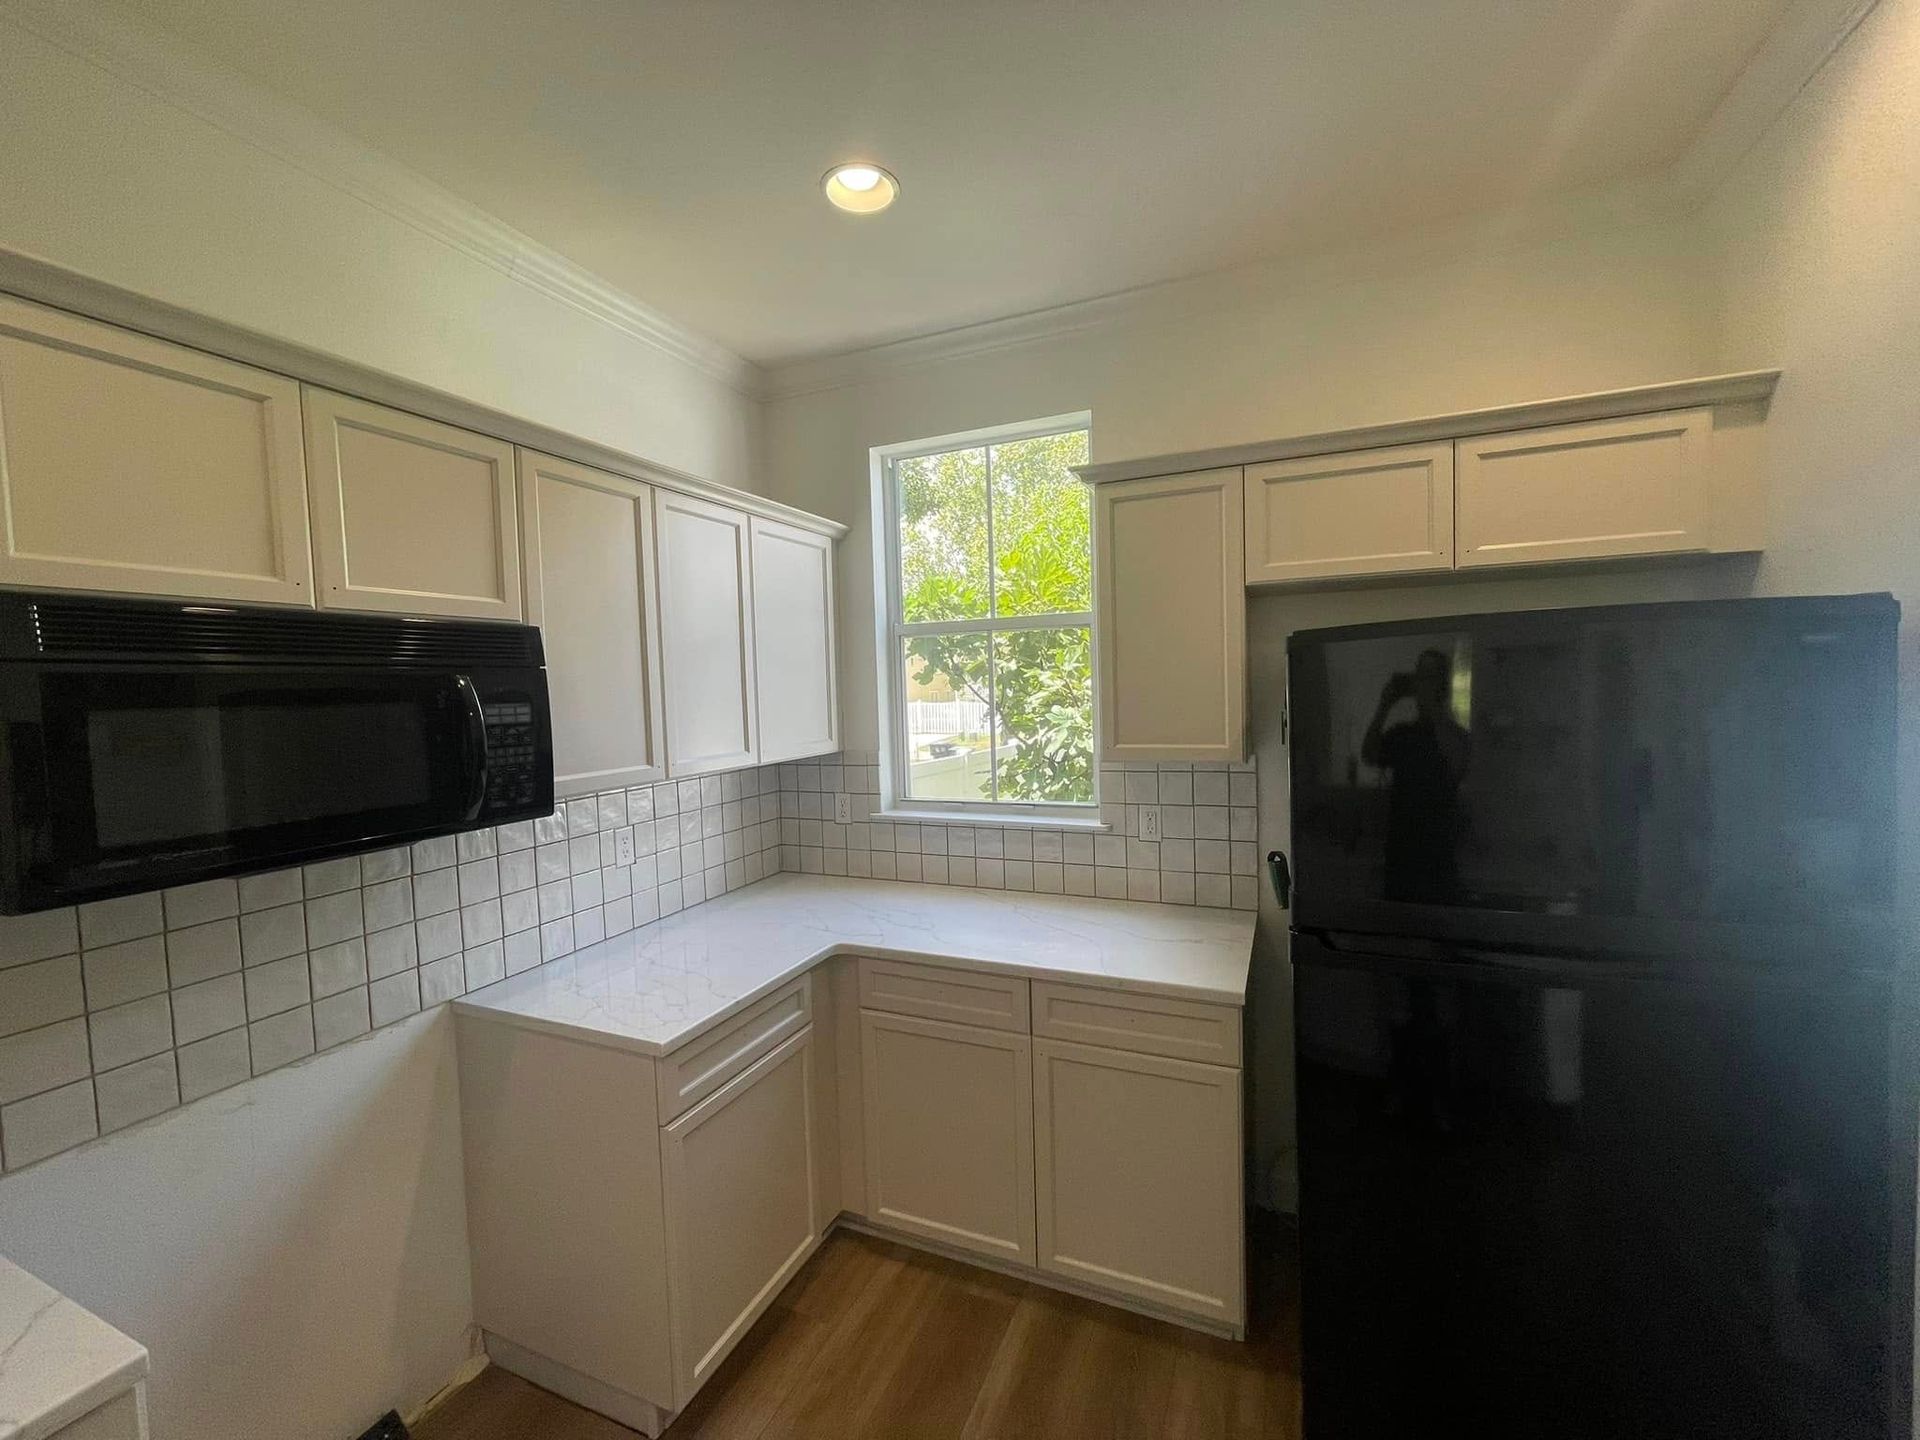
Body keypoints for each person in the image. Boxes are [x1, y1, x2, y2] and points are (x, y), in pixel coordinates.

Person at [1361, 648, 1470, 902]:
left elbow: (1457, 766)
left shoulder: (1456, 736)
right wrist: (1384, 704)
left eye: (1429, 676)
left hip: (1439, 860)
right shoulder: (1403, 734)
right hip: (1400, 857)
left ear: (1443, 684)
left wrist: (1432, 706)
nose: (1420, 682)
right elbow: (1369, 754)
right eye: (1419, 675)